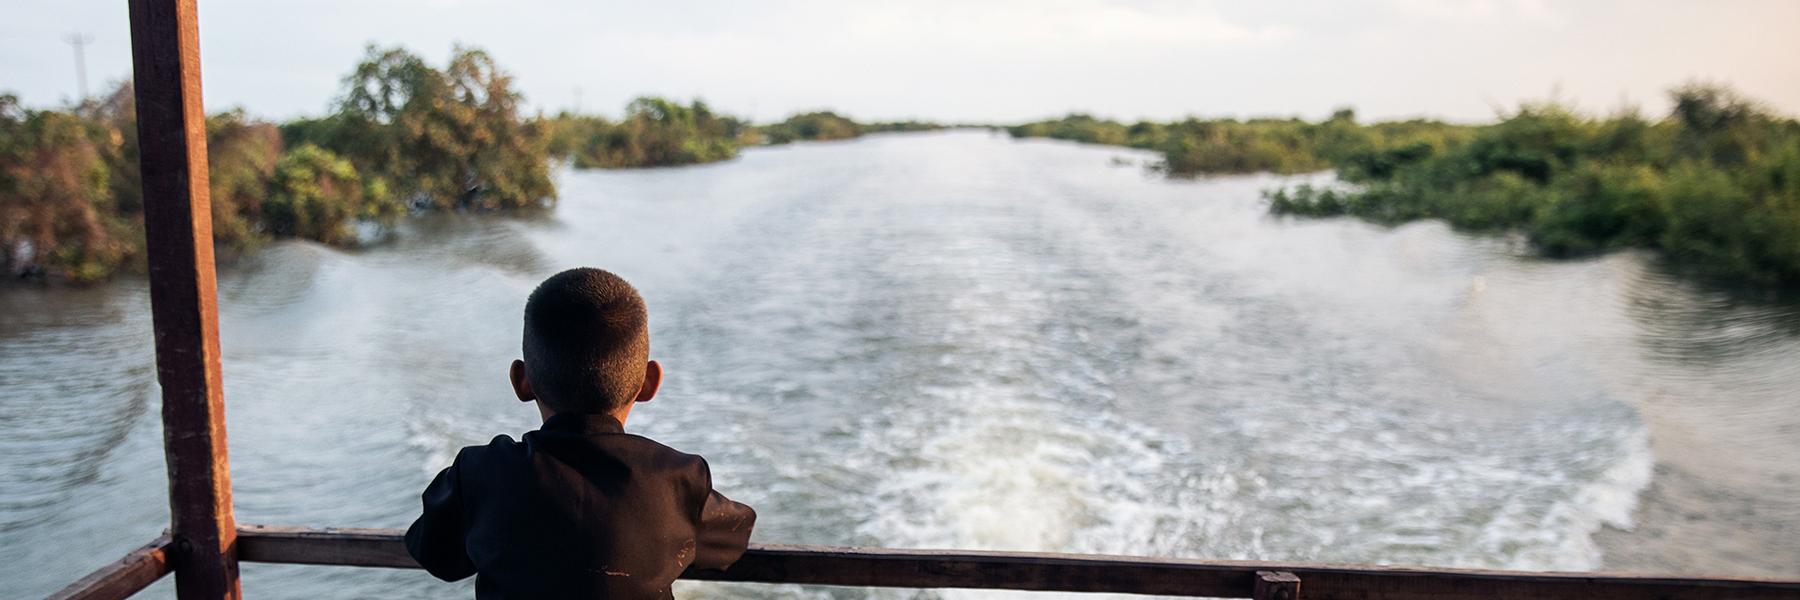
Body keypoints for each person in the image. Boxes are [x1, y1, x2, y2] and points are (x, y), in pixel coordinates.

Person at [406, 267, 756, 599]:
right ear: (649, 383)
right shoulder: (677, 478)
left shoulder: (481, 473)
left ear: (521, 381)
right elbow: (732, 538)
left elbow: (435, 554)